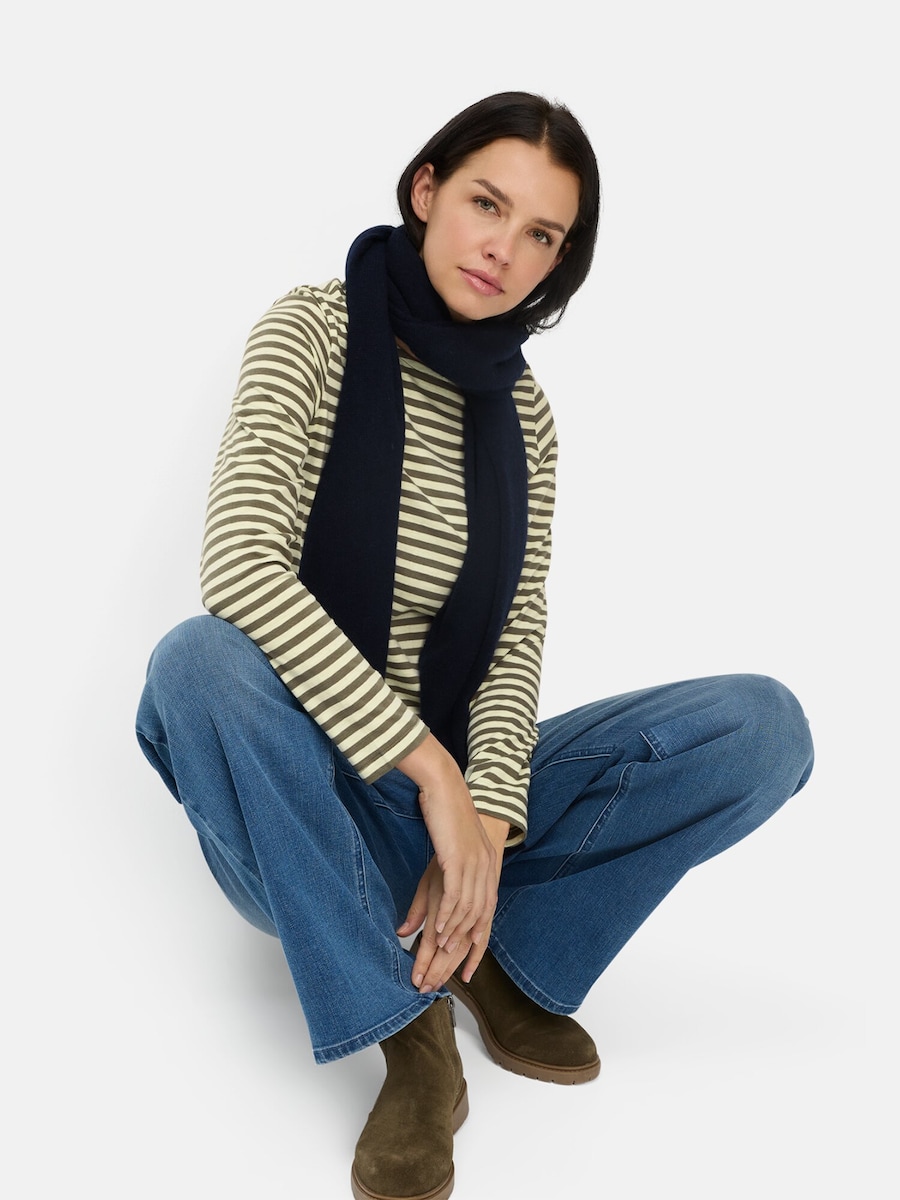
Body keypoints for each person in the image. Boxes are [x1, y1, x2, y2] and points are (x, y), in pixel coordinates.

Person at [136, 91, 814, 1200]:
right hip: (303, 808)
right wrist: (432, 774)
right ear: (426, 191)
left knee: (763, 727)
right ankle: (409, 1034)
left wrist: (486, 820)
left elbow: (513, 639)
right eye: (487, 204)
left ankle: (497, 951)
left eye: (542, 233)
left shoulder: (525, 419)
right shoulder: (312, 333)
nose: (505, 248)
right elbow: (242, 565)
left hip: (449, 814)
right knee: (196, 663)